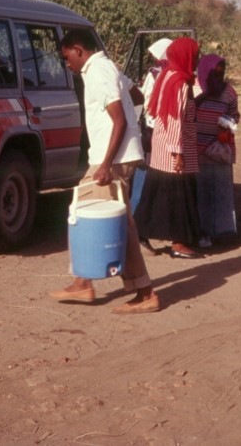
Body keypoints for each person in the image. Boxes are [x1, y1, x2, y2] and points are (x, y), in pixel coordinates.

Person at [49, 29, 158, 314]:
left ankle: (140, 291)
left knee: (86, 214)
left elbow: (119, 120)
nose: (67, 64)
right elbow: (136, 95)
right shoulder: (107, 68)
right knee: (118, 221)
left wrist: (107, 164)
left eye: (67, 57)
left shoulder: (98, 70)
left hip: (111, 159)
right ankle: (90, 282)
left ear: (78, 49)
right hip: (116, 155)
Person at [134, 37, 203, 259]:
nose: (197, 60)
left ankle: (140, 233)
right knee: (179, 196)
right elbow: (175, 119)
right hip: (174, 147)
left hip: (162, 145)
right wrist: (178, 153)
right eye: (195, 56)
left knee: (156, 194)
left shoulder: (167, 75)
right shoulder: (180, 82)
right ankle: (178, 243)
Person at [194, 53, 240, 247]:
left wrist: (228, 123)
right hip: (197, 151)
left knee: (219, 192)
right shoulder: (194, 88)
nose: (218, 78)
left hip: (218, 150)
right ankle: (201, 232)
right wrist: (203, 96)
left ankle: (218, 231)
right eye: (214, 74)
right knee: (200, 193)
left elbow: (235, 115)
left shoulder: (229, 92)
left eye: (221, 74)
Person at [129, 38, 171, 220]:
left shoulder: (153, 75)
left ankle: (136, 211)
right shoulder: (174, 75)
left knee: (144, 169)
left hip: (150, 126)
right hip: (165, 127)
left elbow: (144, 98)